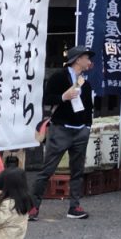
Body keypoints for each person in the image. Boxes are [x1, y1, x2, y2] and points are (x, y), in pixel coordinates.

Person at [30, 46, 94, 220]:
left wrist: (87, 126)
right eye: (87, 58)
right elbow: (47, 98)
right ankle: (33, 207)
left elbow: (89, 107)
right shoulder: (59, 77)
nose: (89, 62)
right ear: (78, 59)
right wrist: (63, 97)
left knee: (77, 170)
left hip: (80, 130)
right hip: (60, 129)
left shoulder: (84, 82)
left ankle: (74, 206)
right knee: (47, 169)